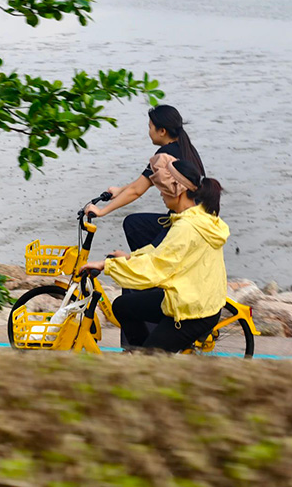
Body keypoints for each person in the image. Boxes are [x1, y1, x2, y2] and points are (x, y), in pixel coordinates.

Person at [82, 160, 228, 353]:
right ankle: (140, 353)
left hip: (192, 311)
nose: (160, 193)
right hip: (187, 295)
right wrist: (129, 258)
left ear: (178, 191)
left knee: (149, 361)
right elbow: (161, 253)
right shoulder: (197, 216)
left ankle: (145, 360)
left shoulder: (187, 227)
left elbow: (154, 269)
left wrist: (107, 266)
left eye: (163, 189)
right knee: (122, 306)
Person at [85, 105, 205, 252]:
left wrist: (101, 211)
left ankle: (151, 271)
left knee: (143, 247)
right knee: (135, 223)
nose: (148, 132)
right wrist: (120, 190)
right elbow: (146, 181)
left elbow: (136, 191)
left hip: (184, 223)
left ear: (162, 131)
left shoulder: (165, 155)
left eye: (150, 127)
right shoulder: (187, 149)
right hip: (199, 218)